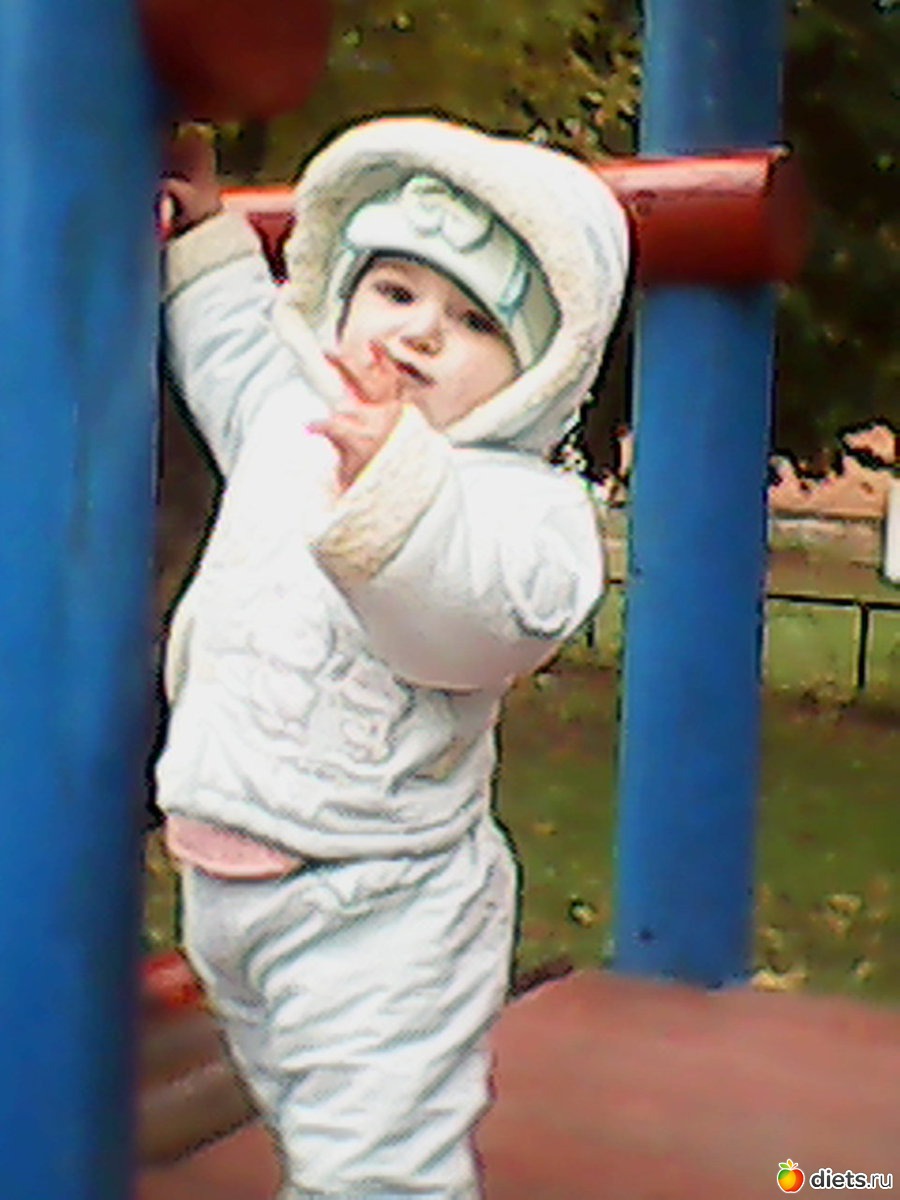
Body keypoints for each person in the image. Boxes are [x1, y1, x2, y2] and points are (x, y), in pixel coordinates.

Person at [158, 116, 629, 1199]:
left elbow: (477, 619)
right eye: (396, 291)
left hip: (380, 909)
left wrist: (394, 490)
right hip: (224, 883)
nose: (419, 334)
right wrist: (207, 232)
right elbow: (235, 347)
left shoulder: (512, 503)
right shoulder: (293, 422)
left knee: (376, 1171)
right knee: (310, 1123)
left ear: (536, 373)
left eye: (474, 321)